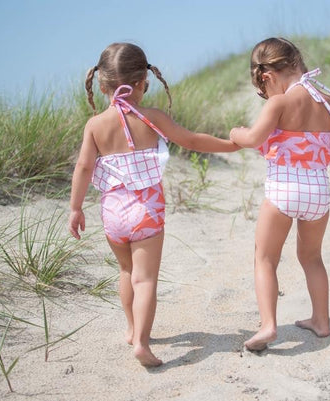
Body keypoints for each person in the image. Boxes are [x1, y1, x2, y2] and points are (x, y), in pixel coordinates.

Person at [68, 42, 238, 367]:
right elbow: (191, 140)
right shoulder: (152, 118)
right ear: (144, 82)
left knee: (126, 271)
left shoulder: (95, 126)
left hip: (113, 214)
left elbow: (84, 168)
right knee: (145, 280)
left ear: (102, 85)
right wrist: (232, 145)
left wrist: (75, 208)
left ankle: (132, 329)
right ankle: (143, 344)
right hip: (146, 213)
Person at [229, 37, 330, 351]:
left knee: (265, 258)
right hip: (318, 193)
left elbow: (253, 138)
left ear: (267, 76)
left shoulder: (279, 103)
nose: (267, 95)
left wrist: (234, 133)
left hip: (283, 190)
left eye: (263, 88)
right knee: (312, 257)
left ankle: (268, 325)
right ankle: (321, 321)